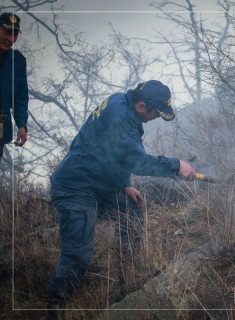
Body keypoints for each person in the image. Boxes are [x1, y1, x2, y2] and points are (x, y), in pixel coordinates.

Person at [47, 80, 196, 315]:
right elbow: (137, 162)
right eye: (156, 112)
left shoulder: (122, 100)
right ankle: (55, 310)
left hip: (99, 182)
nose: (156, 117)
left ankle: (127, 277)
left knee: (132, 212)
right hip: (75, 186)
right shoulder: (121, 117)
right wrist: (176, 166)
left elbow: (111, 151)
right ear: (141, 105)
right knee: (76, 255)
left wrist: (124, 185)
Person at [0, 13, 28, 162]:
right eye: (6, 32)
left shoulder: (18, 62)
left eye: (14, 33)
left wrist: (21, 125)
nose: (10, 39)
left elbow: (20, 98)